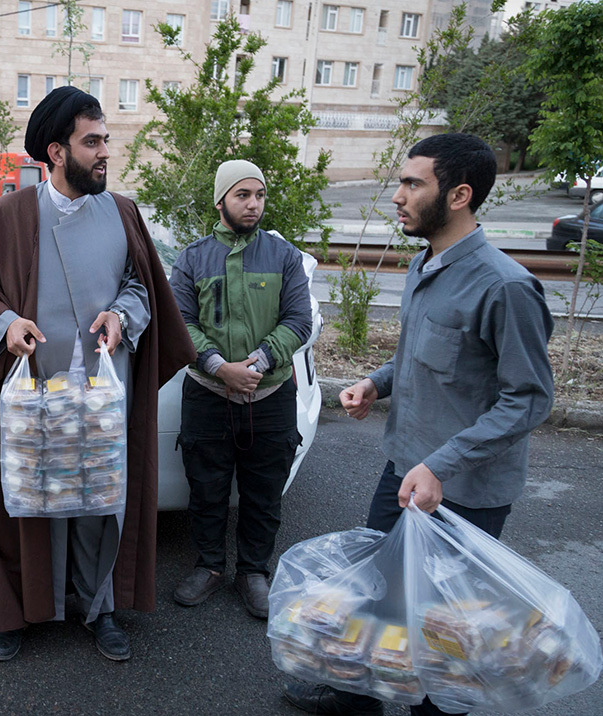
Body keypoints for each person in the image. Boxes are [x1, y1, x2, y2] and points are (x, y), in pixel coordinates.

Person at [282, 134, 554, 715]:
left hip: (465, 493)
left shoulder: (505, 287)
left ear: (458, 195)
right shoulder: (423, 262)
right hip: (405, 468)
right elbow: (418, 351)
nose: (398, 197)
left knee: (442, 627)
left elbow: (528, 400)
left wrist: (441, 464)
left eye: (412, 184)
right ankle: (359, 699)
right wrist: (377, 383)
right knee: (379, 598)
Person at [0, 86, 194, 662]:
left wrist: (123, 314)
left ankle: (99, 605)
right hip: (34, 394)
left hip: (101, 395)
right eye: (92, 142)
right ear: (57, 152)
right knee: (27, 499)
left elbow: (142, 288)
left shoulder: (123, 212)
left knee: (100, 498)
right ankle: (17, 610)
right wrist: (6, 324)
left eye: (106, 139)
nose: (104, 152)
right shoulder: (12, 214)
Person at [168, 160, 311, 618]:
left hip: (269, 395)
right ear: (220, 200)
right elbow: (181, 324)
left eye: (260, 195)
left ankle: (254, 571)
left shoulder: (283, 256)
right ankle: (209, 566)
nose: (253, 204)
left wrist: (262, 359)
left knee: (264, 490)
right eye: (242, 195)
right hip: (208, 394)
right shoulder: (192, 258)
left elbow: (299, 320)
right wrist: (217, 366)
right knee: (206, 486)